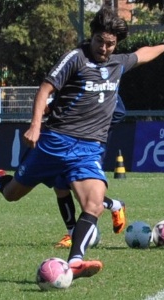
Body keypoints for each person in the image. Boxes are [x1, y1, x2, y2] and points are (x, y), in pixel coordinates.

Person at [0, 6, 164, 279]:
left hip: (88, 149)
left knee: (94, 204)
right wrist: (35, 126)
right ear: (92, 36)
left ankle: (75, 261)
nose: (104, 48)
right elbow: (45, 88)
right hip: (54, 142)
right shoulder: (76, 58)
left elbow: (142, 55)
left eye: (110, 44)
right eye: (100, 41)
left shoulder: (117, 63)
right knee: (13, 194)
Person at [53, 95, 127, 249]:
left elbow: (119, 112)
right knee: (60, 187)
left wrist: (96, 128)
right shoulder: (67, 80)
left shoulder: (101, 80)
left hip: (90, 143)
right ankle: (73, 232)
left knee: (80, 188)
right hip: (66, 139)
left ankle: (114, 206)